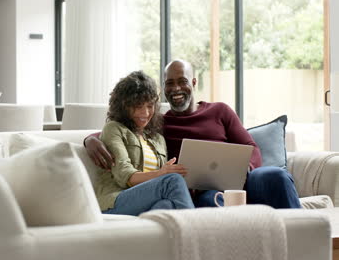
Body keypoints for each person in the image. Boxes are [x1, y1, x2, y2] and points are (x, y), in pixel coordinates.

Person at [86, 60, 301, 209]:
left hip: (244, 181)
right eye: (169, 83)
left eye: (182, 81)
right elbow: (125, 130)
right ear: (163, 88)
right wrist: (91, 140)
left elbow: (251, 147)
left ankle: (304, 241)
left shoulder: (220, 111)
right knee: (211, 202)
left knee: (277, 176)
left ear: (194, 83)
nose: (176, 88)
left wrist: (246, 169)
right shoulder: (158, 122)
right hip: (203, 190)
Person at [95, 70, 195, 216]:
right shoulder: (114, 129)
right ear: (124, 105)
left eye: (149, 106)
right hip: (115, 202)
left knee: (166, 205)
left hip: (144, 202)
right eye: (138, 106)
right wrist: (161, 174)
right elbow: (125, 176)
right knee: (172, 180)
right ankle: (200, 232)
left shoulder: (157, 139)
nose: (146, 113)